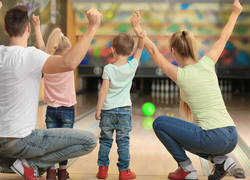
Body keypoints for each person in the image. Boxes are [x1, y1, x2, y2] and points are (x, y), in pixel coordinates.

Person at [131, 0, 242, 180]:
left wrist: (138, 30)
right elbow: (224, 38)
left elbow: (153, 51)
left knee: (159, 124)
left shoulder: (181, 74)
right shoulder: (208, 62)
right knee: (188, 136)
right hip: (232, 135)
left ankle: (187, 169)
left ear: (173, 51)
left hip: (213, 137)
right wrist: (235, 13)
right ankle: (221, 160)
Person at [0, 3, 102, 180]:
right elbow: (68, 63)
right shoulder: (30, 56)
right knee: (89, 141)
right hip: (19, 142)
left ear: (5, 29)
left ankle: (13, 164)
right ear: (28, 28)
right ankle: (30, 165)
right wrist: (92, 26)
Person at [94, 30, 145, 180]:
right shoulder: (131, 67)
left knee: (105, 140)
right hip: (125, 111)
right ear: (130, 52)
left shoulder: (108, 69)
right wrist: (141, 38)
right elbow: (140, 49)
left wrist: (98, 110)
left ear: (112, 50)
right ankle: (124, 171)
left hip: (107, 111)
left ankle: (103, 170)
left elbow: (103, 91)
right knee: (123, 141)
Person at [32, 14, 77, 180]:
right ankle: (62, 172)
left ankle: (51, 171)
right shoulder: (69, 63)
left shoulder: (47, 62)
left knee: (51, 142)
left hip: (51, 110)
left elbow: (42, 46)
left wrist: (37, 27)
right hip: (67, 110)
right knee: (64, 143)